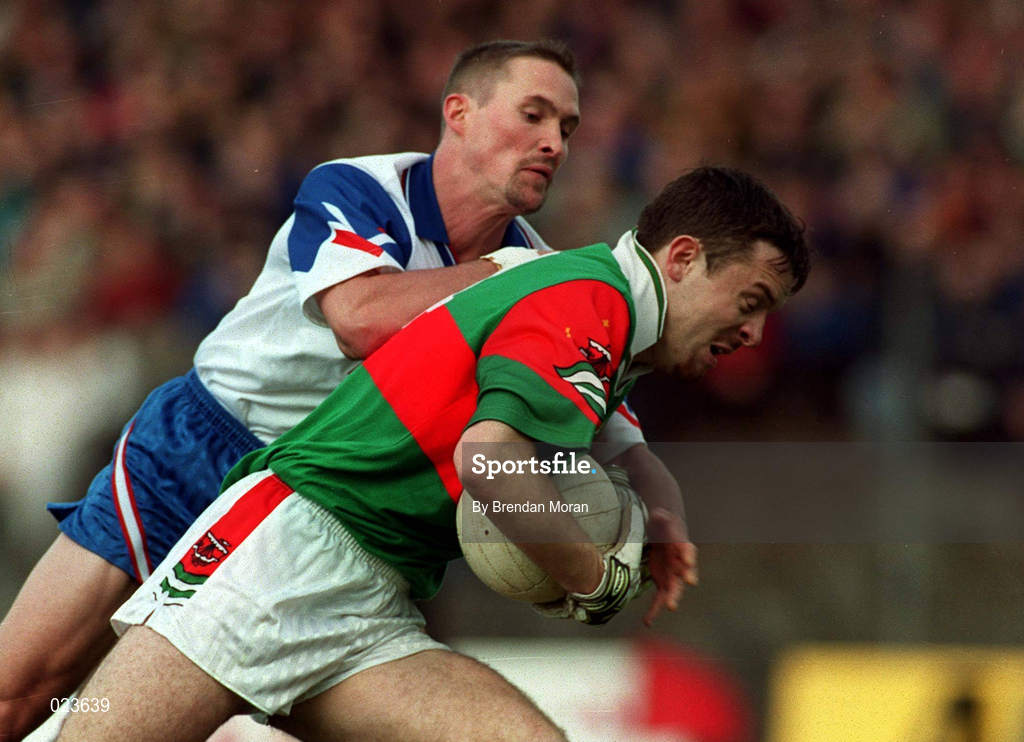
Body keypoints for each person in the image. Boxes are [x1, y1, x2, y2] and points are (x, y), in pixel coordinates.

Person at [0, 39, 669, 741]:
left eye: (567, 128)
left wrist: (658, 507)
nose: (553, 143)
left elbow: (605, 419)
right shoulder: (363, 189)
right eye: (533, 115)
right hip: (202, 451)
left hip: (336, 517)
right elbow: (360, 318)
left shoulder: (539, 276)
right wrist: (502, 277)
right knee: (28, 693)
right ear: (460, 113)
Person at [56, 166, 809, 742]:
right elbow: (490, 460)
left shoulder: (591, 301)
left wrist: (662, 516)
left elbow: (614, 437)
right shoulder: (590, 302)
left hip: (371, 599)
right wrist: (595, 577)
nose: (753, 336)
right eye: (750, 304)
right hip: (280, 558)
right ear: (681, 258)